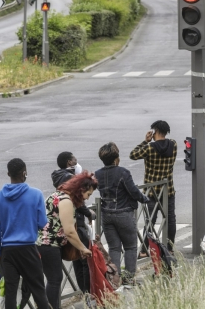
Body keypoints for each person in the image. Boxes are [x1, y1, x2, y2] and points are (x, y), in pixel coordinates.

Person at [0, 158, 55, 309]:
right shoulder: (35, 194)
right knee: (38, 290)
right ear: (24, 172)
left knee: (10, 292)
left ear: (8, 174)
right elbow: (42, 222)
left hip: (7, 251)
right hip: (28, 248)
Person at [37, 172, 95, 309]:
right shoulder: (66, 201)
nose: (87, 198)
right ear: (81, 189)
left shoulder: (59, 195)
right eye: (88, 193)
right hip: (48, 244)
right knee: (54, 280)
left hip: (45, 243)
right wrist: (83, 248)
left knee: (54, 279)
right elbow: (69, 231)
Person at [95, 142, 149, 286]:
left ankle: (114, 280)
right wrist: (144, 198)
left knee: (114, 248)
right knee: (130, 246)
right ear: (116, 158)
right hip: (123, 213)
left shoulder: (98, 174)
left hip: (106, 215)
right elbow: (133, 191)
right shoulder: (123, 172)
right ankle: (129, 278)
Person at [130, 120, 178, 253]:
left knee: (150, 220)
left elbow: (133, 154)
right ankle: (169, 248)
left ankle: (145, 249)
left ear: (155, 131)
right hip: (168, 189)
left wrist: (145, 141)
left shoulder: (149, 147)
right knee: (170, 219)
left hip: (151, 191)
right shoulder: (173, 144)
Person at [51, 151, 94, 295]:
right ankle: (88, 291)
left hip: (64, 226)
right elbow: (77, 200)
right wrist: (88, 213)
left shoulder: (58, 177)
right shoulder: (70, 179)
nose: (77, 160)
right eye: (74, 158)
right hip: (75, 224)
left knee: (77, 259)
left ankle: (84, 291)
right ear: (69, 162)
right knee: (85, 258)